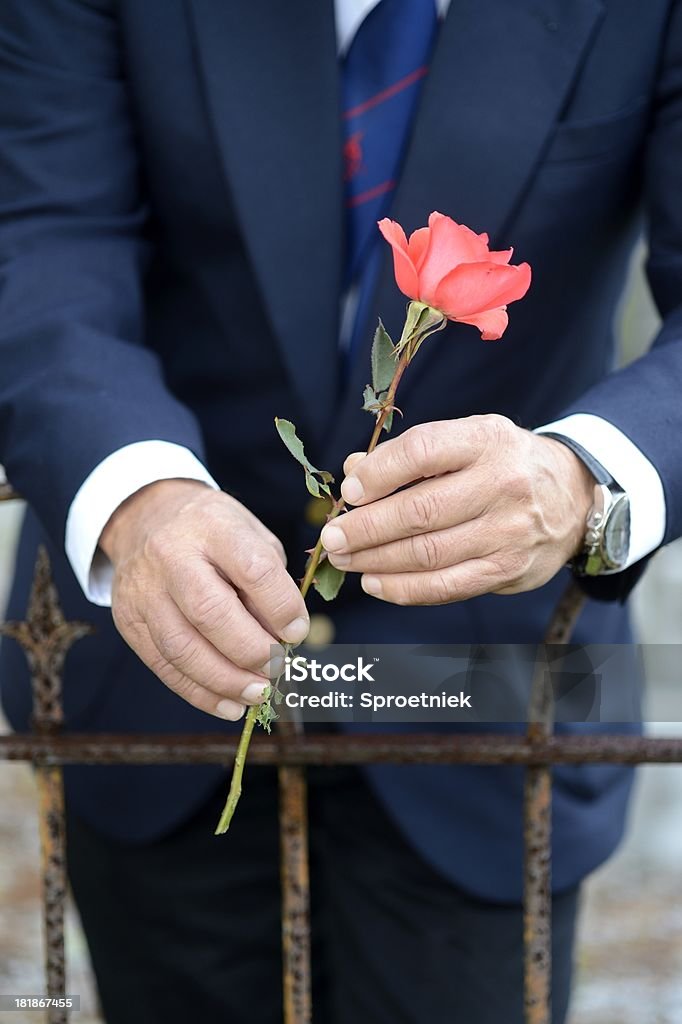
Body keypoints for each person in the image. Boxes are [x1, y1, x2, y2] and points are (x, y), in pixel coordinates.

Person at [1, 1, 681, 1021]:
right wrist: (135, 499)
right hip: (160, 678)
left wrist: (584, 480)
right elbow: (43, 235)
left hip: (487, 696)